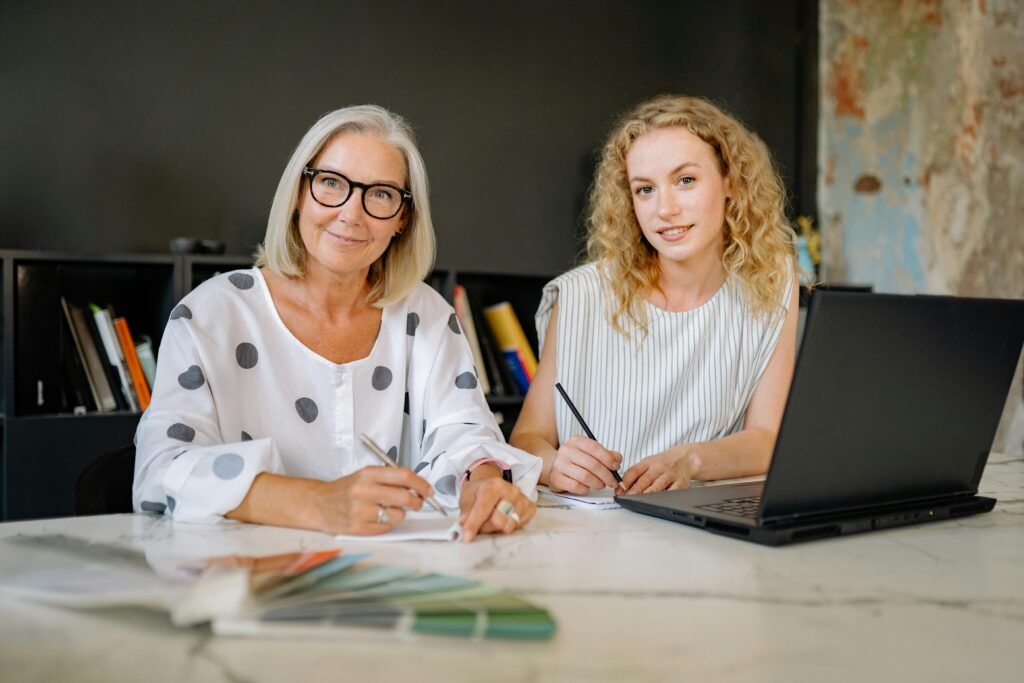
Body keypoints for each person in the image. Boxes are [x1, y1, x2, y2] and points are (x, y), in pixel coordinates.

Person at [133, 105, 539, 541]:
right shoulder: (209, 316)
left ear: (403, 220)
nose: (351, 214)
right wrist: (317, 503)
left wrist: (484, 482)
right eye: (331, 183)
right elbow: (161, 471)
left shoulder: (428, 316)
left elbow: (464, 431)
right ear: (298, 194)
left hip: (398, 578)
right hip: (254, 578)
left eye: (381, 194)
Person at [510, 94, 800, 495]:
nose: (665, 209)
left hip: (704, 528)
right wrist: (554, 464)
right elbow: (526, 438)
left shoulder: (771, 284)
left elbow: (769, 439)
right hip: (593, 530)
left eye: (685, 180)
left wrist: (690, 460)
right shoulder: (580, 295)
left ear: (730, 181)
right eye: (645, 189)